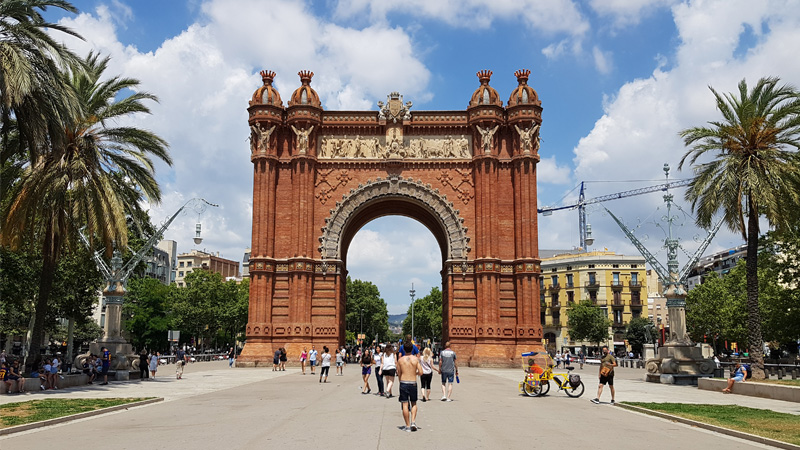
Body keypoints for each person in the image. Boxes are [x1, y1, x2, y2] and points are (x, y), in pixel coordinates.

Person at [396, 340, 423, 432]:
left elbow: (398, 372)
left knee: (404, 404)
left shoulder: (400, 360)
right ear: (412, 349)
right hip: (413, 382)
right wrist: (414, 373)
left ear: (403, 349)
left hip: (403, 382)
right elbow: (421, 372)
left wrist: (400, 380)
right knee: (414, 403)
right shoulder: (415, 360)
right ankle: (413, 422)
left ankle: (407, 426)